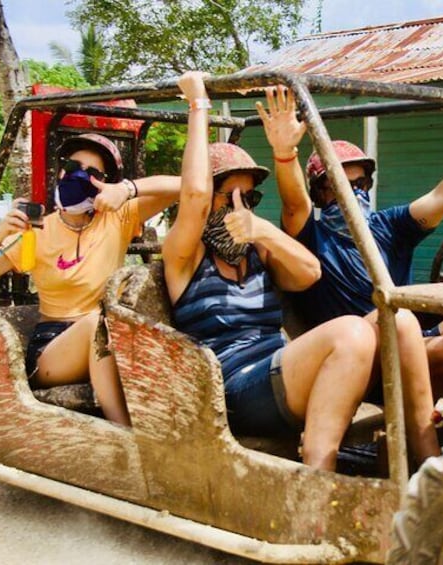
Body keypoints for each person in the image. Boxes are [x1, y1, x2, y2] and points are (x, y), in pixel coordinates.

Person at [257, 86, 443, 435]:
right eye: (337, 185)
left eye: (361, 183)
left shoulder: (388, 227)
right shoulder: (309, 239)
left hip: (414, 340)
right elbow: (294, 203)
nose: (353, 193)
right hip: (364, 360)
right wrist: (284, 153)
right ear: (320, 194)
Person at [165, 71, 379, 472]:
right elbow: (193, 197)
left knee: (385, 322)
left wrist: (263, 231)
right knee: (350, 330)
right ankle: (319, 472)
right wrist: (198, 104)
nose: (238, 207)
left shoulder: (257, 251)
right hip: (234, 386)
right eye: (226, 197)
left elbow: (310, 272)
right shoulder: (187, 258)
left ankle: (420, 448)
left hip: (279, 369)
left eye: (248, 197)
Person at [0, 132, 181, 426]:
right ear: (60, 172)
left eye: (92, 173)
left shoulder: (118, 218)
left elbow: (186, 187)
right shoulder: (37, 232)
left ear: (103, 183)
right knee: (98, 322)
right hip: (54, 349)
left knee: (119, 325)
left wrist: (127, 189)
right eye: (72, 167)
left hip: (110, 339)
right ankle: (124, 432)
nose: (79, 176)